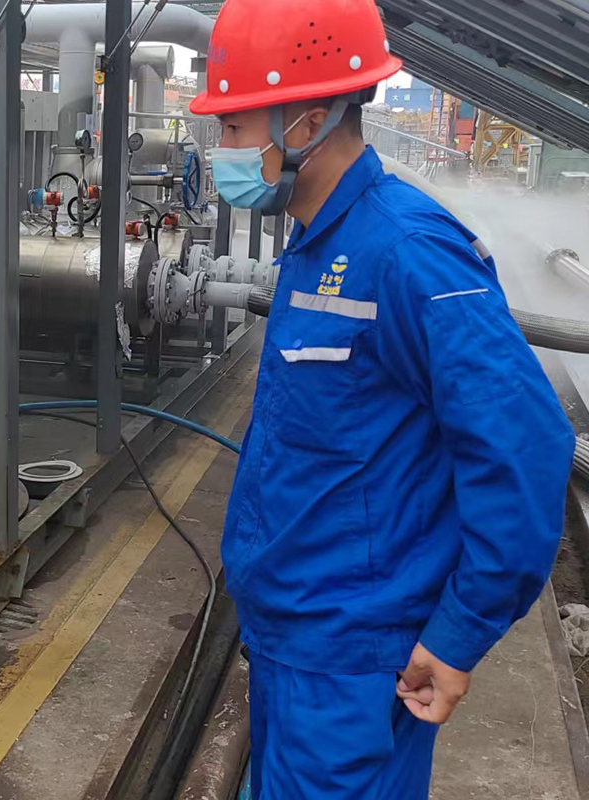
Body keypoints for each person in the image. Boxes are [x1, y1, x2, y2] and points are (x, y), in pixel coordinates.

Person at [188, 0, 575, 797]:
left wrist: (461, 633)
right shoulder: (319, 241)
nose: (222, 149)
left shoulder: (407, 253)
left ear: (309, 119)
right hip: (296, 646)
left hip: (353, 670)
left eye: (233, 127)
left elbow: (527, 442)